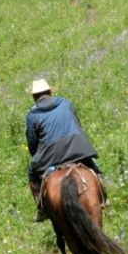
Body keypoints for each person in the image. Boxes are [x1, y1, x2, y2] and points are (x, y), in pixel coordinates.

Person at [25, 78, 103, 222]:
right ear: (49, 92)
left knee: (31, 173)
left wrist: (38, 157)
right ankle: (103, 192)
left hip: (50, 154)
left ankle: (42, 209)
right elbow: (77, 123)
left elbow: (32, 143)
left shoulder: (32, 115)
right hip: (77, 146)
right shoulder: (66, 103)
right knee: (92, 167)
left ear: (34, 97)